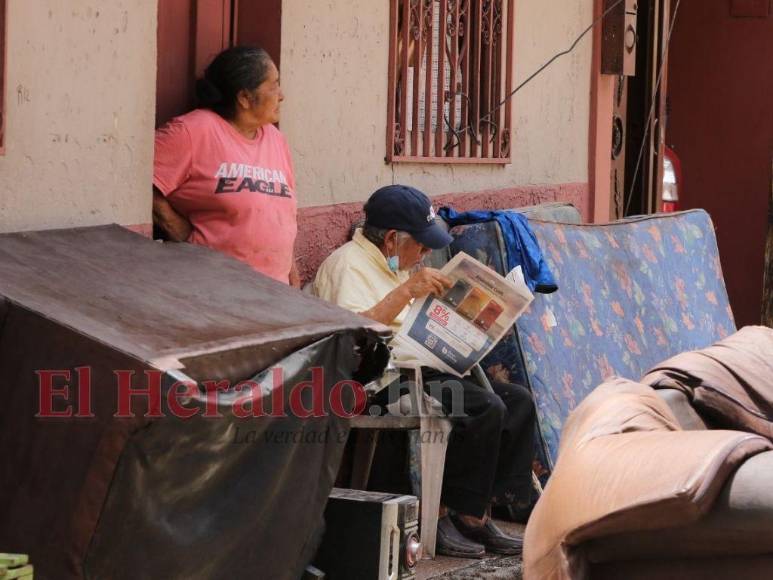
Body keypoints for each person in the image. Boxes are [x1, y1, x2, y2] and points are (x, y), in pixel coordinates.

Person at [312, 185, 536, 558]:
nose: (427, 253)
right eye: (421, 244)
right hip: (377, 380)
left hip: (421, 368)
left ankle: (481, 512)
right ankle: (446, 516)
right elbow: (350, 336)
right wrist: (405, 293)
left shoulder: (396, 263)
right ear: (391, 239)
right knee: (482, 408)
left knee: (517, 401)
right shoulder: (346, 265)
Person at [153, 46, 300, 286]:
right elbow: (138, 179)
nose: (281, 95)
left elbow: (282, 212)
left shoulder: (275, 139)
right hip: (216, 290)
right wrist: (178, 230)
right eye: (273, 85)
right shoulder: (193, 131)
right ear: (244, 97)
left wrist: (291, 272)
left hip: (276, 292)